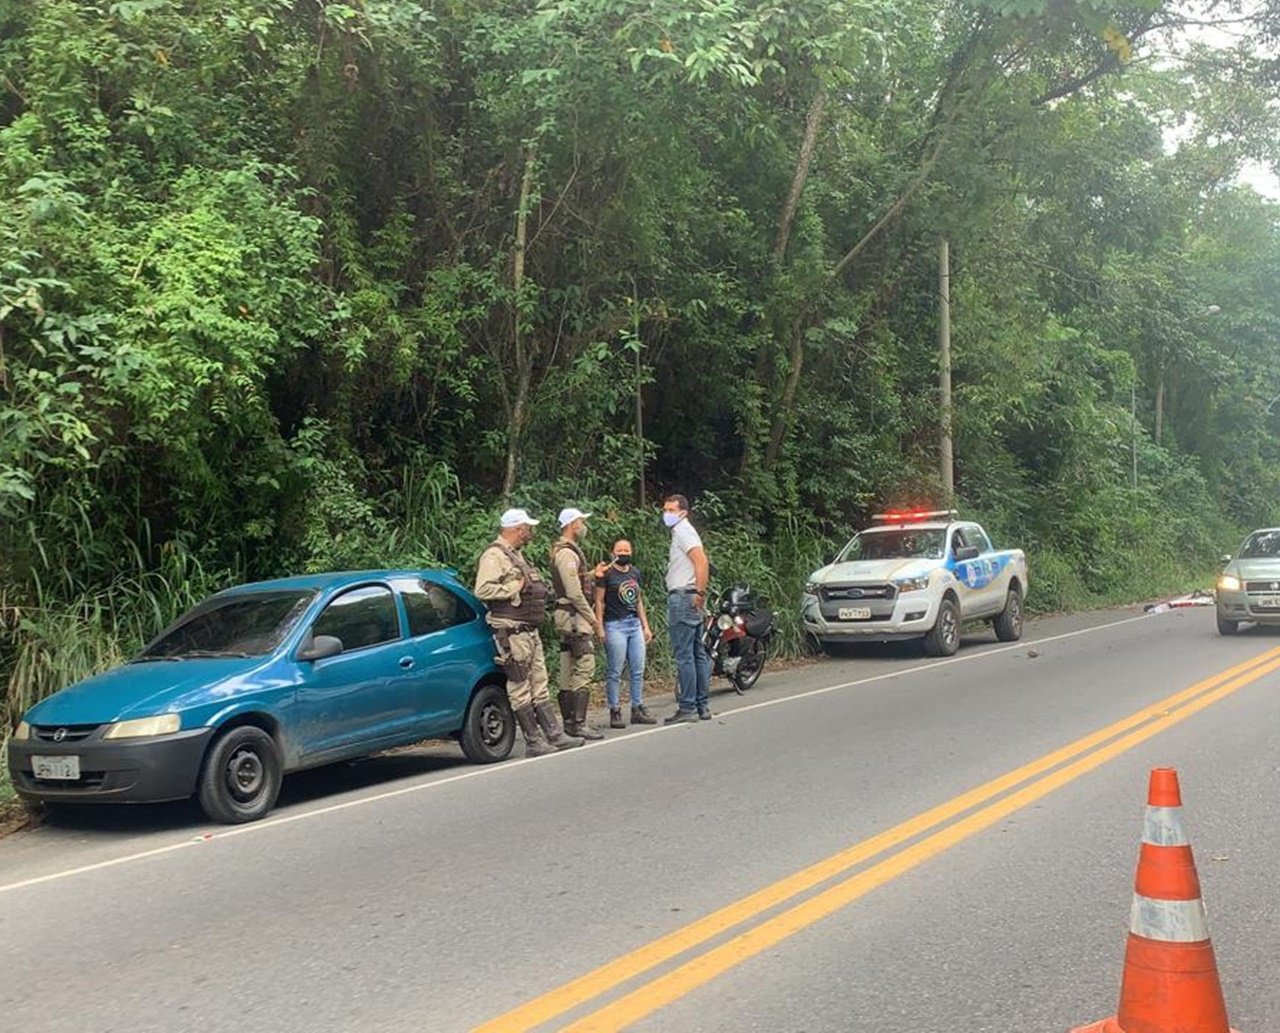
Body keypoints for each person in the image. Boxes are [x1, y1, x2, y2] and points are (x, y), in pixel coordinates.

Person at [473, 508, 583, 756]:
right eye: (527, 528)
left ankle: (553, 734)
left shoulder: (515, 555)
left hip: (529, 630)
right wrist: (515, 586)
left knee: (539, 682)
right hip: (512, 631)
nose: (530, 532)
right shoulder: (494, 555)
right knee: (520, 684)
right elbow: (483, 590)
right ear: (516, 529)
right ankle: (534, 741)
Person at [550, 507, 605, 741]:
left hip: (567, 616)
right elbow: (573, 592)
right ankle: (577, 723)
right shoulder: (566, 554)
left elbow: (573, 582)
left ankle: (570, 723)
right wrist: (594, 621)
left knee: (568, 666)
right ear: (572, 524)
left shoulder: (564, 551)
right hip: (574, 618)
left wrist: (592, 574)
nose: (584, 525)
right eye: (581, 521)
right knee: (582, 665)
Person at [594, 539, 657, 727]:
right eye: (619, 550)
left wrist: (645, 626)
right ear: (613, 552)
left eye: (626, 550)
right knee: (615, 670)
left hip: (634, 624)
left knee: (638, 669)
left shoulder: (634, 573)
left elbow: (638, 600)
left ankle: (637, 708)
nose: (623, 553)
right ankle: (615, 710)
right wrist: (599, 626)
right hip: (615, 625)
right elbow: (599, 601)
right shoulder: (606, 574)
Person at [662, 493, 712, 723]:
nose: (666, 514)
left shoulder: (683, 531)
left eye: (671, 510)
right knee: (696, 653)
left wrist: (700, 592)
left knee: (685, 655)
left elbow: (701, 561)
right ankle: (702, 705)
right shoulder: (684, 531)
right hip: (690, 596)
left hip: (684, 596)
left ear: (683, 512)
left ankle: (688, 706)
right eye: (665, 510)